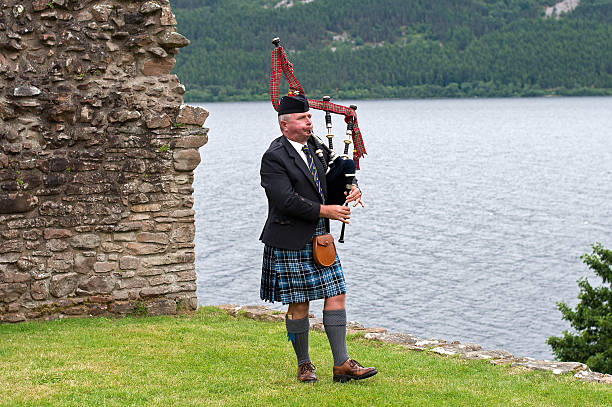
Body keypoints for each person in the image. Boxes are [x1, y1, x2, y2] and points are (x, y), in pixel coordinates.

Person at [259, 92, 377, 383]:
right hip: (290, 237)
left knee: (337, 293)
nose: (309, 122)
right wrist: (326, 210)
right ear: (285, 125)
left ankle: (342, 364)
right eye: (302, 118)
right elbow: (285, 200)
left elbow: (336, 173)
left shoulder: (315, 146)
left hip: (320, 237)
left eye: (310, 117)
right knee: (299, 302)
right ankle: (304, 364)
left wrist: (352, 188)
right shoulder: (274, 157)